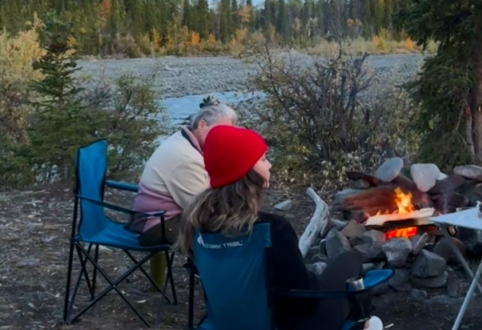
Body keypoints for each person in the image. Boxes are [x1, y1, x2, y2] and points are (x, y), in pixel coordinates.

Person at [177, 125, 382, 330]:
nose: (270, 165)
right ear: (247, 171)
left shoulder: (196, 224)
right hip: (281, 324)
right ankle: (363, 324)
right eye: (263, 159)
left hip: (224, 322)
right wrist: (314, 282)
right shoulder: (269, 229)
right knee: (350, 260)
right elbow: (301, 301)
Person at [131, 101, 238, 246]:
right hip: (157, 227)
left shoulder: (181, 138)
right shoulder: (187, 159)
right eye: (222, 131)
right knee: (230, 235)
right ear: (202, 125)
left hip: (155, 218)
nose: (226, 138)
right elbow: (203, 210)